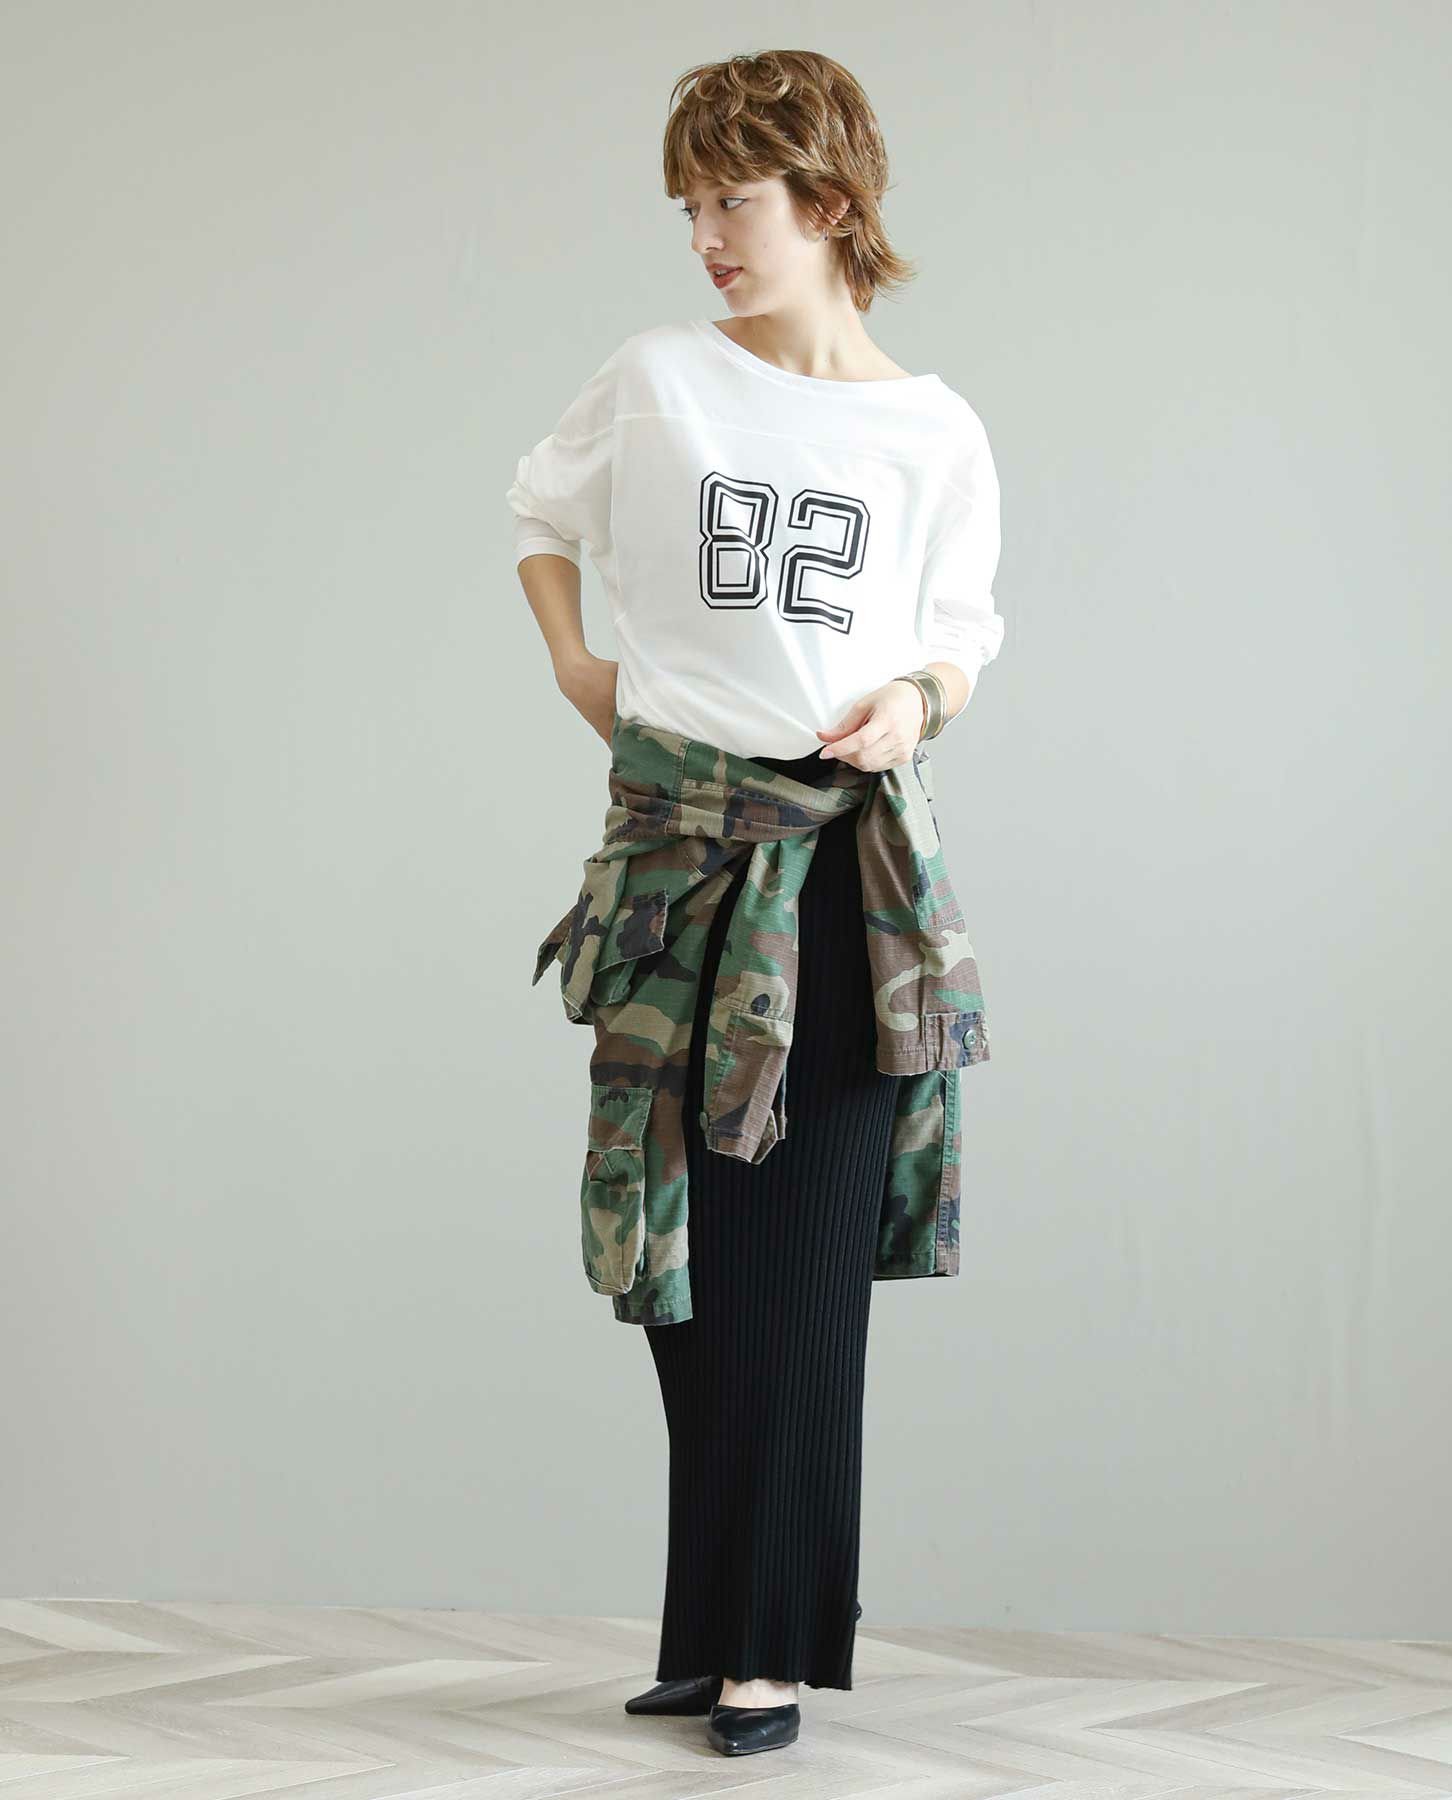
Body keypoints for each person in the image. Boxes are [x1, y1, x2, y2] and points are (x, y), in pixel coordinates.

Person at [507, 48, 1004, 1759]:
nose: (707, 235)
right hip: (673, 867)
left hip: (842, 877)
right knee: (688, 1267)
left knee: (798, 1281)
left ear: (830, 201)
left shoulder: (932, 429)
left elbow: (963, 629)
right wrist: (577, 663)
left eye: (736, 199)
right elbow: (540, 509)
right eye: (691, 205)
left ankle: (770, 1652)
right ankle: (722, 1625)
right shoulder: (659, 379)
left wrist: (917, 703)